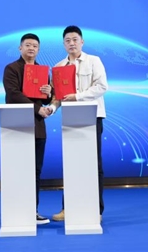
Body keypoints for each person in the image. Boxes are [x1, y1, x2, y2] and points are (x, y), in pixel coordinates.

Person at [50, 25, 108, 222]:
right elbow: (58, 96)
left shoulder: (94, 61)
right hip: (70, 118)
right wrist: (51, 108)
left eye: (75, 39)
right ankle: (67, 208)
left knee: (94, 164)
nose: (71, 43)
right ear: (63, 44)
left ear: (82, 42)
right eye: (67, 40)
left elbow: (102, 86)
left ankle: (96, 210)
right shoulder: (59, 67)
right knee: (71, 163)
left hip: (92, 116)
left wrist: (78, 96)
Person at [2, 33, 53, 224]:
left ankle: (33, 210)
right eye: (28, 45)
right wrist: (37, 108)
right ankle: (16, 211)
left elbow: (45, 100)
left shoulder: (42, 71)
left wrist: (49, 93)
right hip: (17, 125)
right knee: (17, 170)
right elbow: (13, 94)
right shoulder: (11, 68)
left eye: (35, 46)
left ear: (38, 50)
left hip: (38, 126)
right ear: (20, 48)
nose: (31, 48)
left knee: (35, 171)